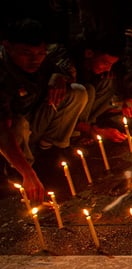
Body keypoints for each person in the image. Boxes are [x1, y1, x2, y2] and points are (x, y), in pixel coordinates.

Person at [0, 19, 87, 203]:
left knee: (77, 92)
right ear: (7, 46)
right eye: (26, 53)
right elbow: (2, 133)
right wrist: (27, 173)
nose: (35, 59)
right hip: (11, 138)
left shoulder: (42, 58)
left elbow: (64, 64)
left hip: (34, 121)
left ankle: (49, 151)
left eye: (40, 53)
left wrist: (59, 77)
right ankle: (20, 175)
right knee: (17, 124)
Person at [71, 32, 132, 142]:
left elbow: (120, 72)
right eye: (105, 63)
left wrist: (128, 98)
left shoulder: (102, 68)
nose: (108, 68)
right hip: (65, 118)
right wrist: (97, 131)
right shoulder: (70, 67)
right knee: (87, 90)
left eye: (111, 65)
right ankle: (76, 133)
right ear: (89, 53)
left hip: (83, 112)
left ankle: (85, 128)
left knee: (108, 80)